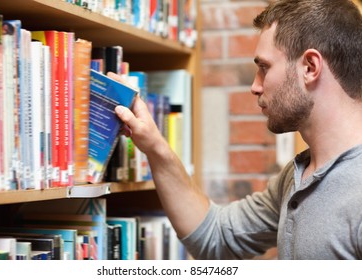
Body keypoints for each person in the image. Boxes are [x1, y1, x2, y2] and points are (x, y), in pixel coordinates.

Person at [111, 0, 362, 260]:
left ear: (310, 67)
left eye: (264, 68)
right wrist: (154, 145)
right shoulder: (297, 177)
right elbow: (215, 237)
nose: (254, 86)